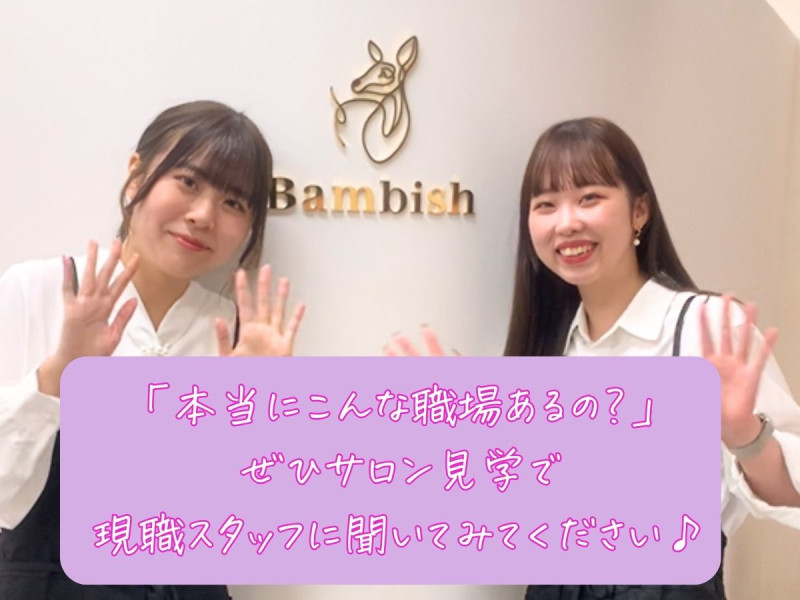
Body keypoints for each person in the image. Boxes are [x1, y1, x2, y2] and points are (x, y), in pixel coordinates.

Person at [385, 117, 800, 599]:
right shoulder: (547, 350)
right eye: (546, 205)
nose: (566, 222)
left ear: (639, 210)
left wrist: (744, 434)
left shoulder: (705, 328)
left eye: (589, 198)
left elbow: (791, 495)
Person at [0, 100, 305, 599]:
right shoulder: (39, 290)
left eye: (234, 203)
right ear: (136, 175)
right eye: (188, 181)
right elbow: (4, 498)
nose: (203, 215)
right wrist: (60, 374)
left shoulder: (237, 332)